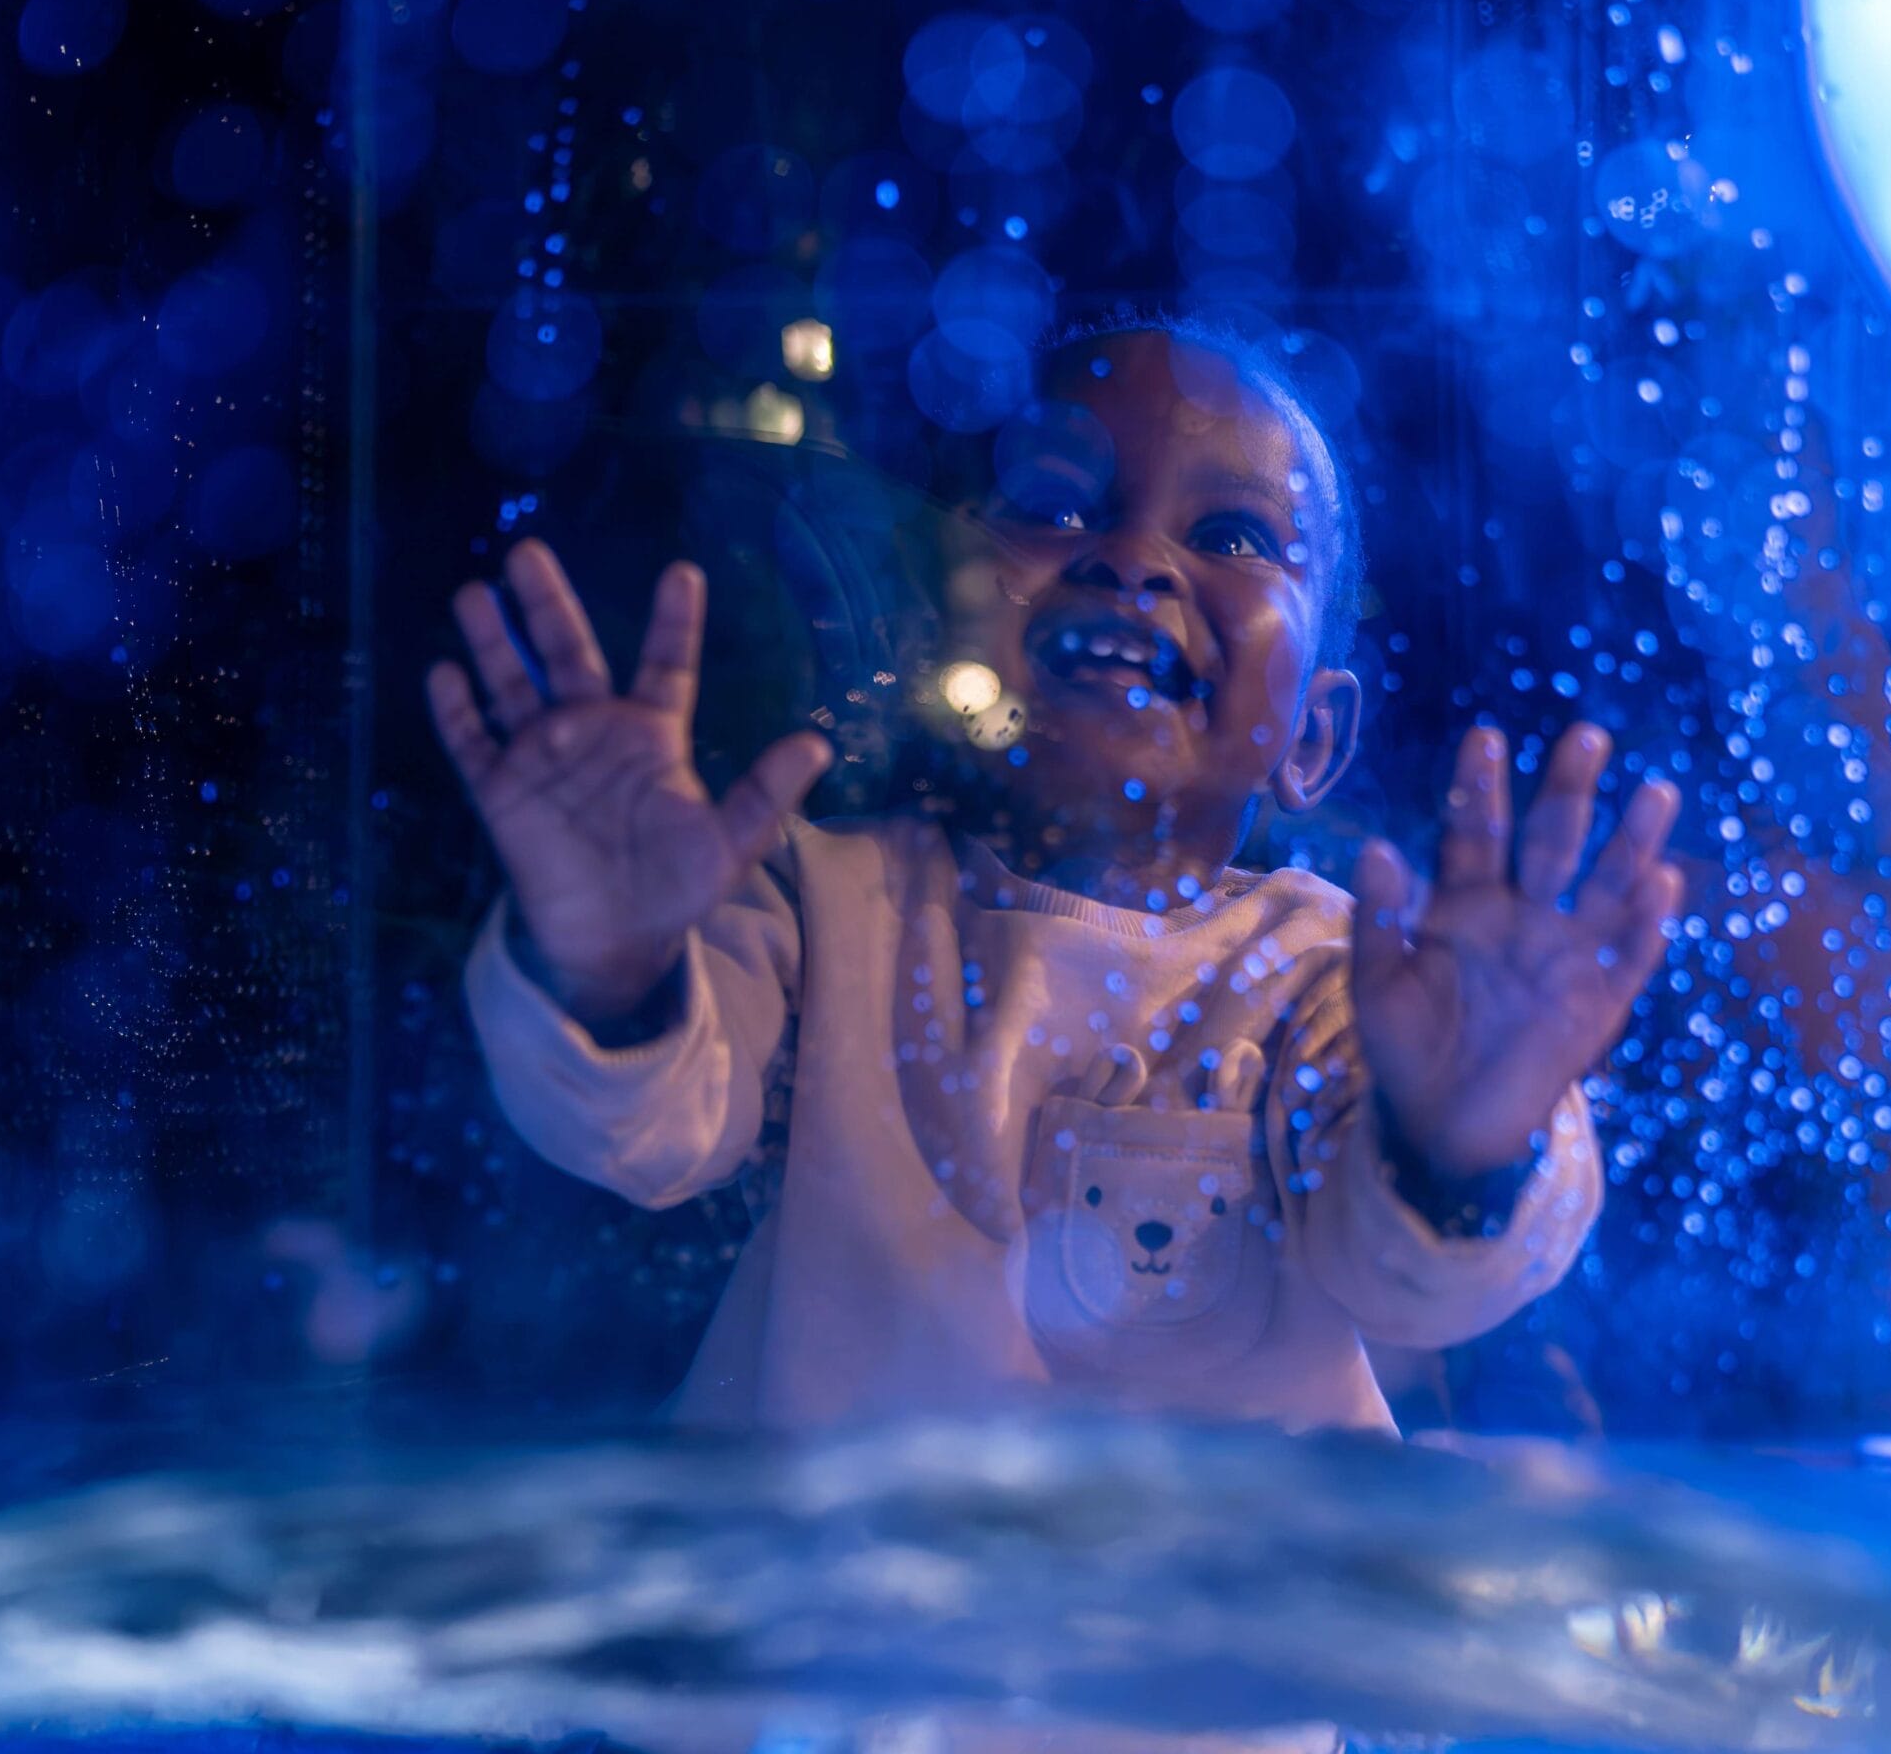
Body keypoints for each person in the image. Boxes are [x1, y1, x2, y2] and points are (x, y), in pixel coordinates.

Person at [430, 318, 1686, 1435]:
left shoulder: (1331, 978)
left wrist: (1466, 1137)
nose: (1131, 559)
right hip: (825, 1651)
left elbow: (1408, 1281)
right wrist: (610, 969)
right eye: (1059, 506)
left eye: (1233, 534)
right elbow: (649, 1129)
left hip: (1180, 1684)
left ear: (1312, 735)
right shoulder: (831, 903)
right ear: (948, 627)